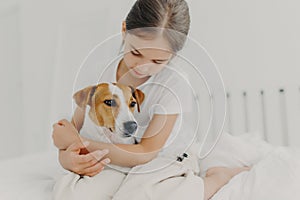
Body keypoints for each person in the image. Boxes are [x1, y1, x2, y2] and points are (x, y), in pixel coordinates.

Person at [52, 0, 249, 199]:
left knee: (146, 194)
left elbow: (146, 153)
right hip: (113, 158)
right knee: (70, 193)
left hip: (164, 157)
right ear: (124, 30)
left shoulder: (173, 83)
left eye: (158, 61)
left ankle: (217, 177)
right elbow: (70, 134)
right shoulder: (98, 74)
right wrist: (66, 158)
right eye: (136, 52)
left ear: (174, 54)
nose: (143, 67)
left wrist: (82, 144)